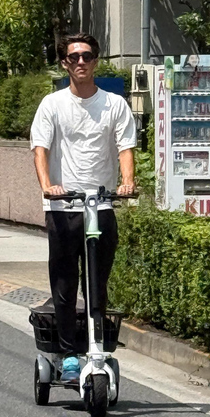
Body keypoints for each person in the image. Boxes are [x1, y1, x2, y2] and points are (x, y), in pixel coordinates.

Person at [30, 32, 136, 382]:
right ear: (64, 63)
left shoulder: (114, 105)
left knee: (97, 284)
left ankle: (97, 347)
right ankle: (68, 352)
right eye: (73, 57)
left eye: (87, 56)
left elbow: (125, 147)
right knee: (64, 285)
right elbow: (40, 148)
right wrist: (48, 186)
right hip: (63, 208)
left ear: (96, 61)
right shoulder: (52, 104)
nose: (80, 62)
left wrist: (127, 181)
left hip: (100, 206)